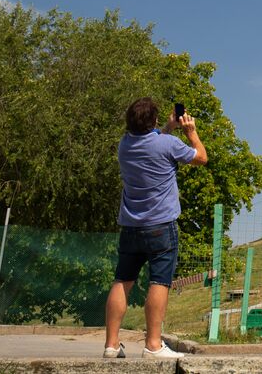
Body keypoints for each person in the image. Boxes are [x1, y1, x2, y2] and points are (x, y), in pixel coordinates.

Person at [102, 99, 208, 360]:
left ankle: (111, 345)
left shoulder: (124, 145)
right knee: (159, 282)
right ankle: (152, 344)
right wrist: (190, 131)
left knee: (122, 281)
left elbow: (150, 141)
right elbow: (201, 158)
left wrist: (167, 127)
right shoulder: (168, 144)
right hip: (161, 227)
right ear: (152, 121)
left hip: (130, 226)